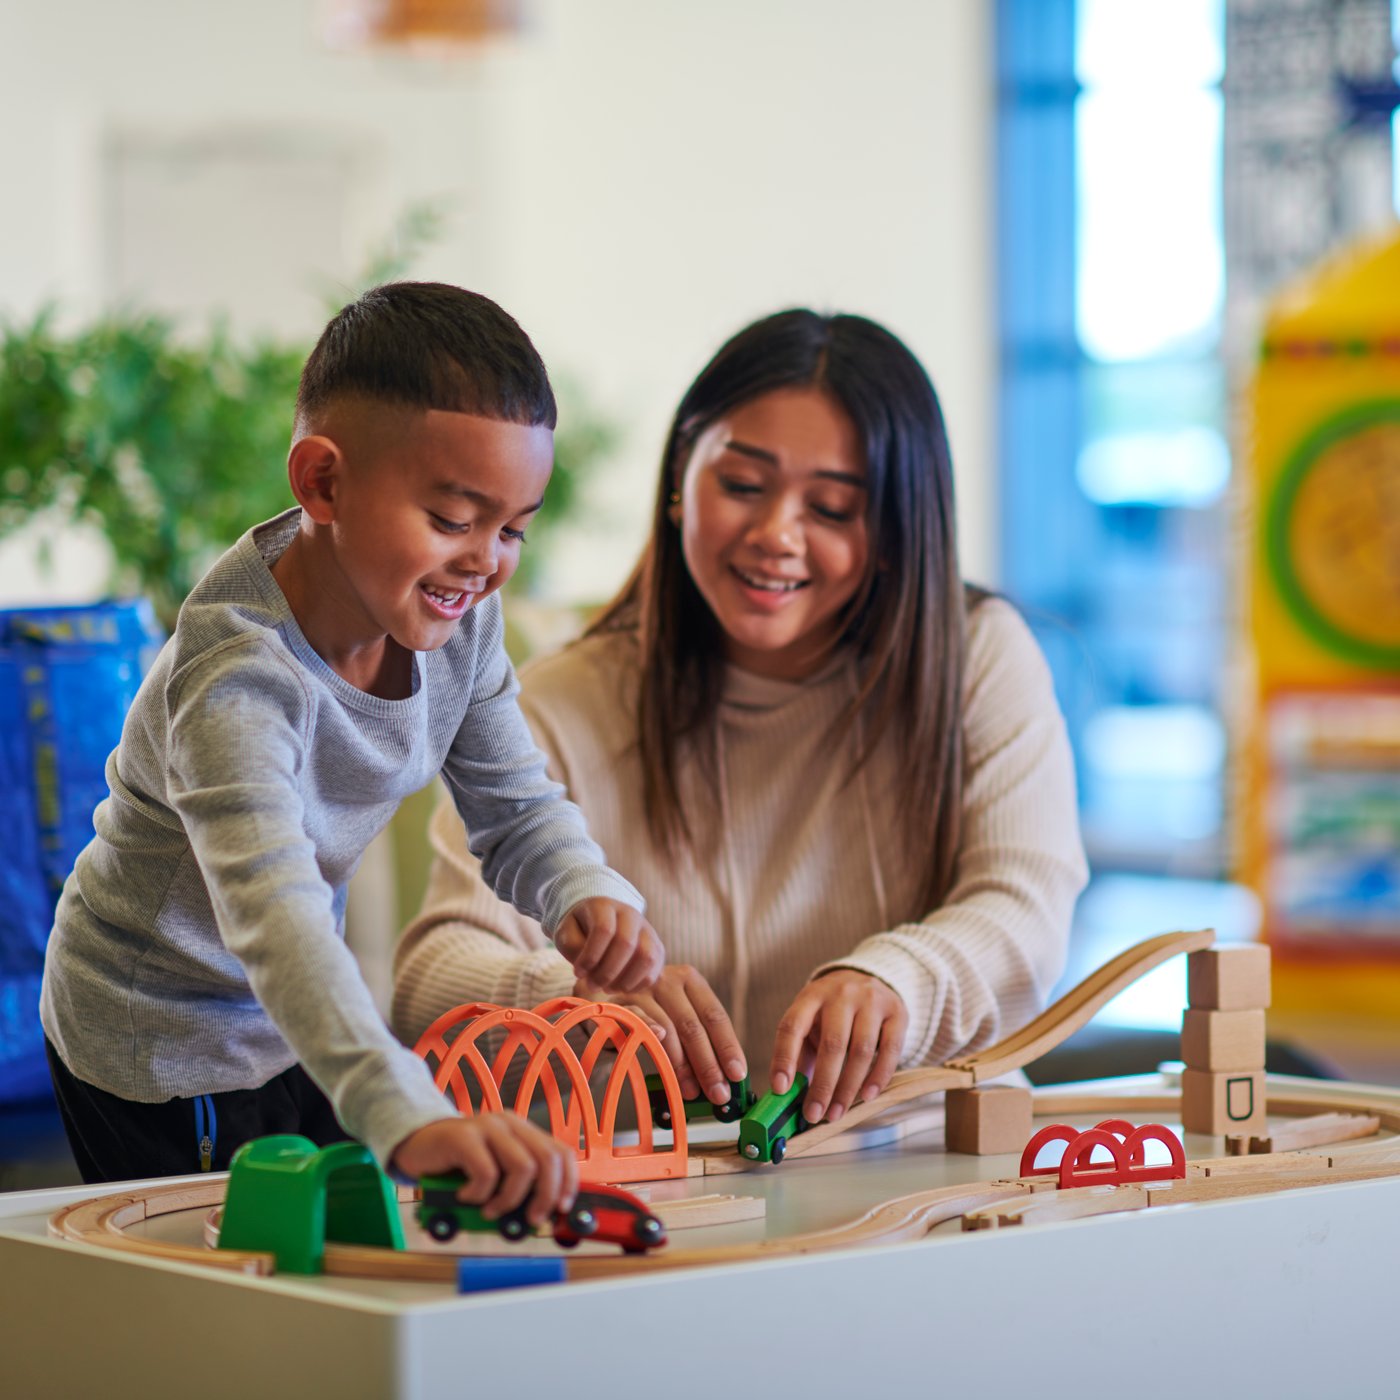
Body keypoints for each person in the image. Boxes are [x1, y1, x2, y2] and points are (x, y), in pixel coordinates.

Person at [40, 282, 665, 1228]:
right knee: (231, 1278)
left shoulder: (459, 622)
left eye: (513, 530)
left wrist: (585, 892)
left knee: (353, 1223)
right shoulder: (236, 685)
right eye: (455, 520)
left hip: (294, 1011)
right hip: (164, 1038)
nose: (487, 562)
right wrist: (404, 1112)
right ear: (323, 483)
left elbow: (518, 805)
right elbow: (279, 921)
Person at [393, 308, 1088, 1130]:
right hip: (667, 1216)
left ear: (897, 528)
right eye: (745, 486)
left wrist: (900, 981)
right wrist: (573, 1001)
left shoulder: (977, 657)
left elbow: (1025, 910)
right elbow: (427, 975)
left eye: (832, 509)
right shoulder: (557, 704)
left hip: (930, 1186)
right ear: (684, 476)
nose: (775, 535)